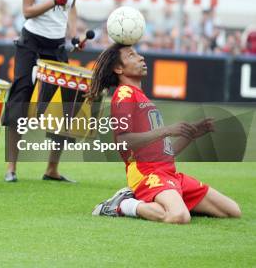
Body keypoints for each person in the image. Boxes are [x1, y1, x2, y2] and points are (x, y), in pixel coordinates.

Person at [90, 44, 241, 222]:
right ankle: (124, 205)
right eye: (131, 55)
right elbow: (123, 140)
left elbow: (162, 153)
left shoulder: (140, 97)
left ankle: (166, 200)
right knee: (179, 216)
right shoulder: (124, 93)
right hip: (147, 174)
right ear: (118, 68)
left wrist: (188, 136)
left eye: (138, 54)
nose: (141, 58)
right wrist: (167, 130)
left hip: (170, 174)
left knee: (232, 211)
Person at [3, 0, 82, 183]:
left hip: (57, 46)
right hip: (31, 44)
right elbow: (27, 11)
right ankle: (11, 169)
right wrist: (52, 1)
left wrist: (75, 34)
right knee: (20, 99)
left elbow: (71, 8)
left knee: (64, 105)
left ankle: (52, 169)